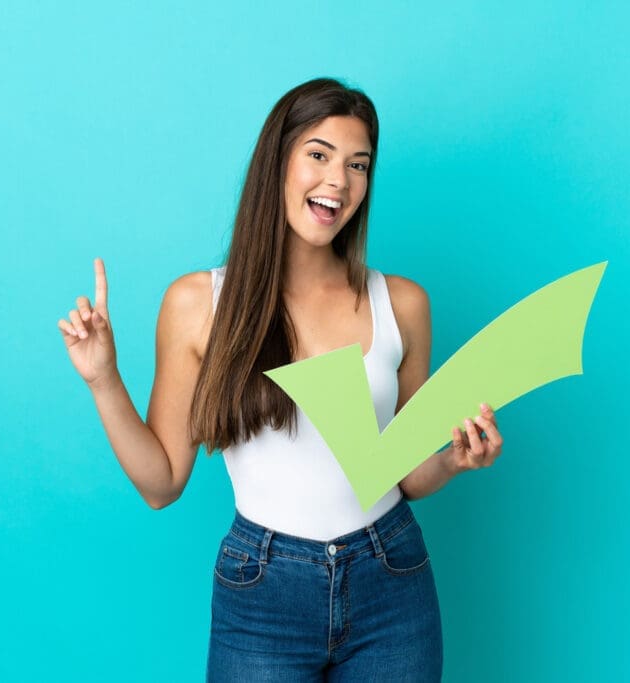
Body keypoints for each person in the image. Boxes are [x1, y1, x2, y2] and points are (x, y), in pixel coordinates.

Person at [56, 78, 503, 682]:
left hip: (391, 580)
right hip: (263, 592)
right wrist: (103, 378)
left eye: (358, 165)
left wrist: (452, 458)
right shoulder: (199, 304)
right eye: (318, 155)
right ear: (279, 162)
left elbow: (404, 472)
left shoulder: (402, 304)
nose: (338, 181)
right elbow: (161, 483)